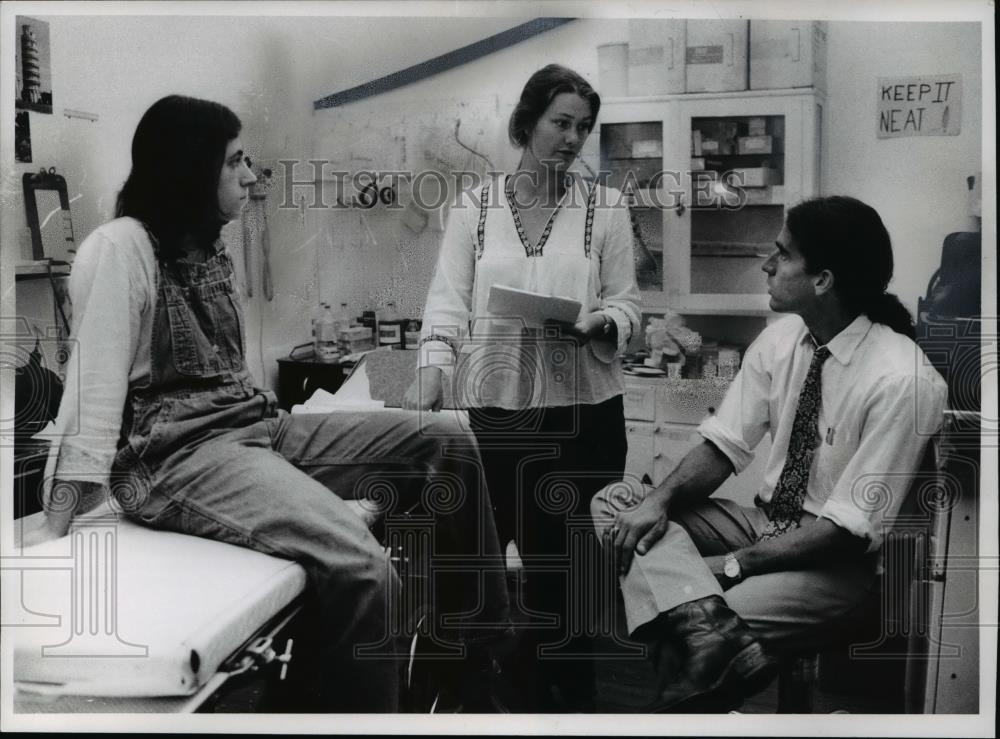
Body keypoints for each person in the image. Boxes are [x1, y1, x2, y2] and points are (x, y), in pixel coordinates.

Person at [19, 94, 512, 712]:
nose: (250, 176)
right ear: (191, 170)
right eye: (236, 162)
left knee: (449, 439)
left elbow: (229, 380)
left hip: (253, 429)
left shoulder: (207, 244)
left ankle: (475, 668)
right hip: (176, 461)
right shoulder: (120, 248)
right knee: (362, 568)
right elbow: (93, 400)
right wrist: (58, 523)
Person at [592, 196, 948, 712]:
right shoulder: (782, 340)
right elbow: (722, 447)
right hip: (763, 522)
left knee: (714, 621)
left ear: (823, 279)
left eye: (782, 255)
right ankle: (702, 632)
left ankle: (702, 642)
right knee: (618, 501)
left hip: (838, 567)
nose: (767, 265)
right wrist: (658, 502)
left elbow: (845, 534)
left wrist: (732, 566)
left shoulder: (902, 379)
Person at [403, 64, 642, 711]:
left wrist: (604, 320)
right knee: (476, 575)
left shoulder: (607, 209)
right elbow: (446, 305)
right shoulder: (473, 209)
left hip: (585, 419)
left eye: (583, 128)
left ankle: (570, 709)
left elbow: (628, 304)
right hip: (497, 416)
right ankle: (481, 703)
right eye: (561, 122)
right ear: (527, 122)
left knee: (573, 584)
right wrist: (429, 380)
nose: (572, 138)